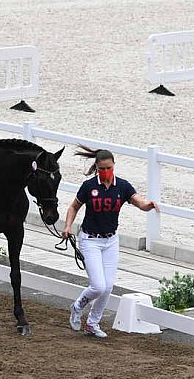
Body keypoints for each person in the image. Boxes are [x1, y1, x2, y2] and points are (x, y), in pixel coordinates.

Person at [63, 145, 160, 338]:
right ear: (97, 168)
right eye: (102, 169)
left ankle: (93, 323)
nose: (106, 172)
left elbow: (138, 201)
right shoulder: (89, 186)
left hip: (110, 241)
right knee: (98, 286)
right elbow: (74, 207)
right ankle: (77, 306)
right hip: (90, 240)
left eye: (109, 168)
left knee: (108, 287)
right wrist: (67, 226)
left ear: (114, 166)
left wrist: (148, 205)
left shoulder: (122, 186)